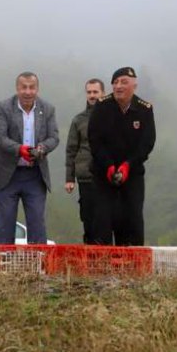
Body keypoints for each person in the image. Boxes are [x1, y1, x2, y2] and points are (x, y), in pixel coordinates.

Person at [0, 73, 59, 244]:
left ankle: (37, 263)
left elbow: (54, 137)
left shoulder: (47, 109)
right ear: (17, 88)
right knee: (5, 222)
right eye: (23, 87)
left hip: (35, 175)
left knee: (37, 222)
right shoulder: (4, 107)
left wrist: (41, 148)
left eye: (31, 87)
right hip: (7, 174)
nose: (27, 91)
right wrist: (20, 149)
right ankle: (4, 264)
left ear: (37, 89)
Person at [87, 67, 156, 246]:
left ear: (134, 86)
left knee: (132, 217)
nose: (118, 86)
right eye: (115, 82)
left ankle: (133, 265)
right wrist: (109, 165)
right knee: (102, 218)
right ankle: (101, 264)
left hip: (132, 172)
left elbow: (147, 143)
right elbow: (94, 140)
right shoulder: (102, 106)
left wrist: (128, 165)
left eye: (124, 82)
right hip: (103, 171)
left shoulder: (144, 109)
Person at [64, 79, 105, 243]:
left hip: (107, 177)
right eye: (89, 92)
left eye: (95, 92)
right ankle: (89, 254)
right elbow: (71, 149)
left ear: (103, 93)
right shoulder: (78, 120)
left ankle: (104, 254)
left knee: (104, 217)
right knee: (87, 217)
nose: (92, 95)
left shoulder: (112, 116)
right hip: (85, 175)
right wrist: (69, 178)